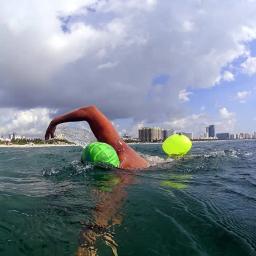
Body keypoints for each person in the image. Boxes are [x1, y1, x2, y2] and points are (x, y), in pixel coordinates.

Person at [45, 105, 149, 170]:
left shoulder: (126, 174)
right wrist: (54, 122)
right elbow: (90, 111)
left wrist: (54, 122)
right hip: (148, 163)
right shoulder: (120, 149)